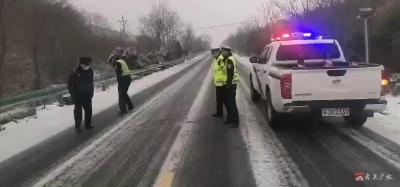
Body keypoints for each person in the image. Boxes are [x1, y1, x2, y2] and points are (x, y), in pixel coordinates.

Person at [68, 57, 94, 132]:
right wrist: (72, 94)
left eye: (88, 64)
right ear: (81, 64)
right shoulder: (74, 72)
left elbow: (91, 82)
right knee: (78, 112)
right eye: (85, 64)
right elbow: (69, 85)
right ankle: (78, 126)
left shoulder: (90, 71)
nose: (87, 66)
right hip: (78, 95)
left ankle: (88, 124)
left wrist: (91, 91)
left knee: (89, 110)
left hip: (87, 95)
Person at [220, 46, 240, 128]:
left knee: (231, 103)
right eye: (222, 51)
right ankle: (230, 118)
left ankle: (235, 121)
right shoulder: (226, 59)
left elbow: (230, 74)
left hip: (231, 84)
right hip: (227, 84)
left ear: (227, 51)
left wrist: (228, 85)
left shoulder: (230, 60)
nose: (222, 52)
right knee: (227, 102)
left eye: (223, 51)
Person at [211, 48, 225, 118]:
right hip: (218, 83)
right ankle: (219, 112)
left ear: (217, 52)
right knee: (218, 99)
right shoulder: (217, 59)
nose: (213, 55)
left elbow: (225, 72)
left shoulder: (221, 59)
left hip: (222, 84)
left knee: (225, 100)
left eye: (213, 54)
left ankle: (232, 117)